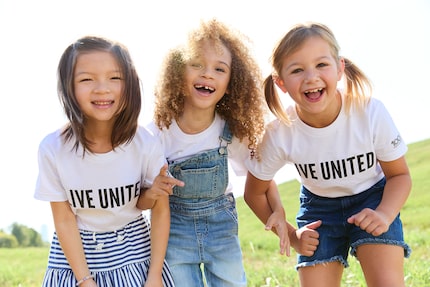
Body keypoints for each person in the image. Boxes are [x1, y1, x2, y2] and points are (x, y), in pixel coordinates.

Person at [244, 22, 412, 287]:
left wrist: (384, 213)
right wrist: (292, 234)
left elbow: (400, 175)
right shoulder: (279, 133)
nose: (311, 77)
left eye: (321, 65)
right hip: (318, 209)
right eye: (297, 70)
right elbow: (253, 193)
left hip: (373, 198)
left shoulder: (369, 112)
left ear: (339, 68)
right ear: (281, 83)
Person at [34, 36, 182, 287]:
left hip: (134, 254)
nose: (102, 88)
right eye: (86, 79)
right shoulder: (53, 148)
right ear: (68, 87)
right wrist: (84, 280)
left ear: (131, 84)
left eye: (114, 78)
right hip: (75, 259)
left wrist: (155, 274)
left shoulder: (145, 143)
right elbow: (64, 219)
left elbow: (159, 209)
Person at [142, 19, 267, 287]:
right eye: (196, 64)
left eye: (219, 69)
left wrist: (277, 212)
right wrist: (153, 189)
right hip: (173, 232)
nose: (207, 73)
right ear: (177, 71)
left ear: (232, 82)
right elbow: (141, 194)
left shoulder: (230, 131)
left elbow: (260, 174)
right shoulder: (157, 133)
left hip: (221, 230)